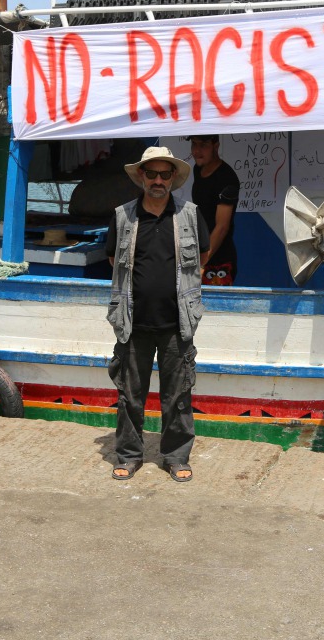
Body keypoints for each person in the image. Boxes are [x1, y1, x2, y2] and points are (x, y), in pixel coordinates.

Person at [105, 146, 210, 483]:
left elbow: (203, 257)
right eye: (152, 174)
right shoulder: (123, 216)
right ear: (141, 177)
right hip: (132, 324)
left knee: (178, 396)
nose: (159, 180)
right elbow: (113, 261)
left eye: (166, 175)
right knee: (130, 396)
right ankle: (129, 455)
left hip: (178, 323)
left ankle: (177, 457)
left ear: (173, 180)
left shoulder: (191, 215)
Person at [189, 135, 240, 285]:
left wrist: (201, 262)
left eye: (203, 145)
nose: (197, 151)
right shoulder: (198, 169)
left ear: (216, 146)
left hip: (219, 260)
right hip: (200, 252)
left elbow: (222, 227)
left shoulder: (227, 179)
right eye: (194, 144)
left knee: (216, 307)